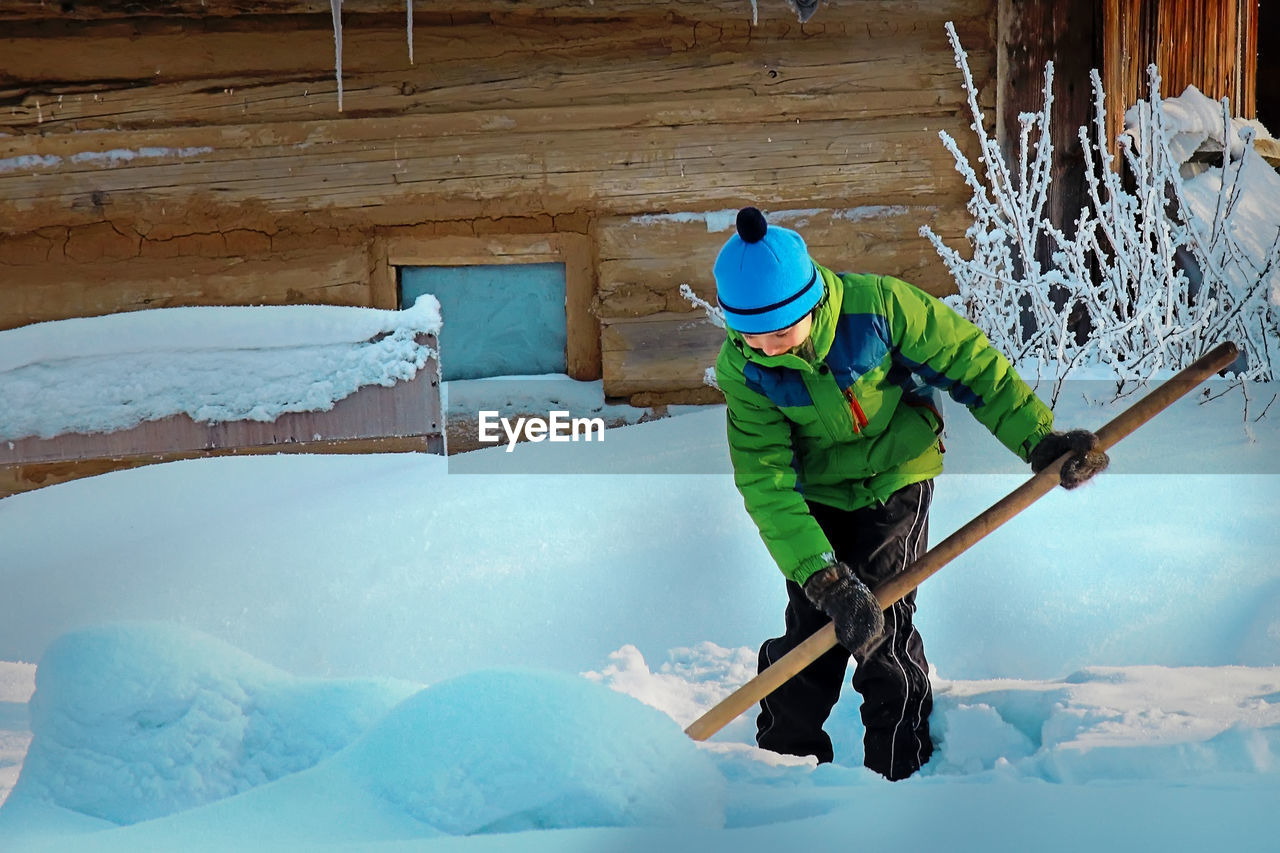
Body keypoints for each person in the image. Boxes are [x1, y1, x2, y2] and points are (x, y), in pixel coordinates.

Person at [712, 206, 1108, 781]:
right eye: (748, 335)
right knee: (812, 629)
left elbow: (974, 368)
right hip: (813, 492)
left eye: (779, 333)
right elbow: (765, 480)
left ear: (810, 303)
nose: (766, 348)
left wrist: (1039, 440)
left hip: (894, 477)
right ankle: (780, 771)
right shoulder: (743, 369)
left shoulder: (881, 309)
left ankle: (900, 770)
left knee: (882, 622)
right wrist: (821, 575)